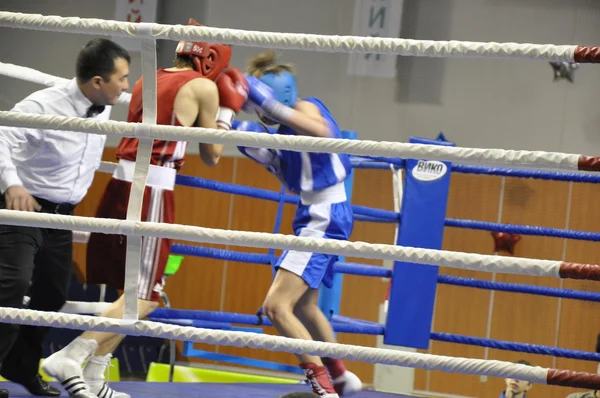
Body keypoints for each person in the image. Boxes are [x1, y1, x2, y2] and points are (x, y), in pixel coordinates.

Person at [41, 18, 248, 398]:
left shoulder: (146, 79)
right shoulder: (202, 86)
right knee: (146, 297)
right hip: (151, 190)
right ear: (213, 59)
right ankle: (72, 354)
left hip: (119, 186)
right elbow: (213, 154)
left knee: (128, 291)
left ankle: (94, 378)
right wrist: (229, 110)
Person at [0, 38, 131, 398]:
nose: (126, 86)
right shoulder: (45, 104)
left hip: (61, 217)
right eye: (121, 78)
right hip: (23, 208)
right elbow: (1, 135)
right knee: (10, 288)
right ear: (97, 82)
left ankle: (20, 364)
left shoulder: (103, 102)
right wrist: (12, 185)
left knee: (53, 292)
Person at [235, 50, 362, 397]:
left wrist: (267, 103)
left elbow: (320, 132)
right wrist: (234, 128)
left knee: (276, 307)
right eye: (278, 92)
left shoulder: (307, 108)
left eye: (287, 90)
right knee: (304, 306)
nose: (287, 96)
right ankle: (338, 375)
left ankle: (323, 389)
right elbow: (288, 175)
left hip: (324, 215)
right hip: (318, 213)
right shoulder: (283, 133)